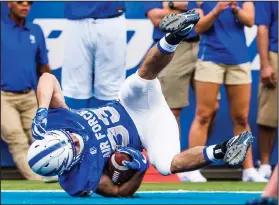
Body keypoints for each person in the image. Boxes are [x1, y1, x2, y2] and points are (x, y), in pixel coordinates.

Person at [27, 11, 254, 197]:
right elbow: (117, 191)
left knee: (136, 82)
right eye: (75, 148)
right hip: (148, 133)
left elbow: (48, 79)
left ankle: (173, 36)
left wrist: (42, 111)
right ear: (68, 164)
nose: (76, 140)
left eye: (70, 139)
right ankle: (225, 149)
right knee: (166, 165)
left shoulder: (57, 122)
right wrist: (140, 168)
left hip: (129, 106)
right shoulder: (78, 178)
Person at [186, 1, 267, 182]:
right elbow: (198, 27)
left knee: (241, 118)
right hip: (210, 59)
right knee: (203, 115)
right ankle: (192, 168)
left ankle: (248, 170)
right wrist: (216, 10)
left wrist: (234, 8)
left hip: (239, 60)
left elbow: (250, 20)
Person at [144, 1, 220, 183]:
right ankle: (176, 164)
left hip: (203, 46)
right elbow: (157, 18)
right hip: (174, 47)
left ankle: (193, 162)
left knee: (212, 108)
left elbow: (200, 14)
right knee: (173, 111)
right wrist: (181, 7)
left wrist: (172, 8)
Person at [1, 1, 51, 181]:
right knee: (17, 139)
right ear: (8, 3)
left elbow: (43, 66)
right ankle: (38, 180)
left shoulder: (35, 30)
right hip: (3, 97)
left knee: (42, 137)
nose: (25, 5)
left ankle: (52, 173)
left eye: (29, 2)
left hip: (29, 95)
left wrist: (50, 93)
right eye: (20, 1)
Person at [62, 2, 127, 109]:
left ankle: (109, 125)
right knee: (74, 89)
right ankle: (73, 125)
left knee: (111, 88)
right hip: (76, 19)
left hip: (112, 17)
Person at [254, 1, 278, 180]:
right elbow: (262, 28)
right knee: (268, 115)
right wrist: (265, 65)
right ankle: (265, 165)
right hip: (275, 55)